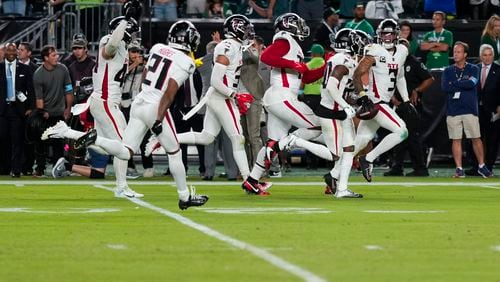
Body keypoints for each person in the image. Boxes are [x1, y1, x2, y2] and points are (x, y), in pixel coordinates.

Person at [43, 20, 209, 209]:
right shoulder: (186, 61)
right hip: (153, 105)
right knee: (174, 151)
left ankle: (73, 134)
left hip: (140, 102)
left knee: (125, 151)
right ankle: (184, 196)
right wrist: (158, 118)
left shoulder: (157, 48)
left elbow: (146, 73)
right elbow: (170, 91)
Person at [242, 13, 331, 195]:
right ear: (289, 26)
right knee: (317, 125)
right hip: (282, 96)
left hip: (279, 97)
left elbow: (306, 76)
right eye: (297, 24)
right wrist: (294, 64)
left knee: (273, 143)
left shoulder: (293, 45)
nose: (301, 27)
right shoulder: (285, 39)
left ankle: (252, 181)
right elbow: (266, 57)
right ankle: (290, 141)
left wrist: (326, 67)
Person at [176, 15, 255, 186]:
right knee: (238, 138)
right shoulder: (227, 46)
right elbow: (216, 80)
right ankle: (250, 180)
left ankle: (168, 138)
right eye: (246, 29)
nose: (249, 32)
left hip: (219, 96)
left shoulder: (234, 46)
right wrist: (235, 95)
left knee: (206, 137)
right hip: (221, 97)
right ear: (236, 29)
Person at [351, 19, 409, 183]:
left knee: (359, 141)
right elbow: (357, 73)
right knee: (402, 131)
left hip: (383, 102)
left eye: (391, 33)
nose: (388, 37)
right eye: (384, 33)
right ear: (379, 35)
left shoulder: (402, 51)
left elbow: (400, 76)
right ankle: (368, 159)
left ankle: (334, 175)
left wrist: (405, 100)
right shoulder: (374, 50)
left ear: (397, 34)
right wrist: (362, 95)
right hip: (376, 102)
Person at [319, 29, 368, 198]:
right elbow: (331, 86)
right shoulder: (344, 61)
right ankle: (294, 141)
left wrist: (357, 99)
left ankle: (342, 189)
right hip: (331, 111)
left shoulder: (340, 59)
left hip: (338, 110)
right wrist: (345, 105)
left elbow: (342, 88)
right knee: (336, 154)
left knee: (349, 148)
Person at [384, 38, 434, 177]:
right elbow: (389, 82)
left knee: (412, 137)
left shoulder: (415, 62)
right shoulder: (393, 62)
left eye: (404, 46)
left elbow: (430, 78)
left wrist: (417, 90)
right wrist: (392, 98)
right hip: (398, 105)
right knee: (398, 135)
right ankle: (397, 166)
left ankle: (420, 168)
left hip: (412, 106)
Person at [441, 41, 492, 178]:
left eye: (458, 52)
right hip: (453, 110)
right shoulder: (448, 70)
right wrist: (462, 84)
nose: (455, 54)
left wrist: (455, 83)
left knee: (476, 137)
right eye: (454, 52)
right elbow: (446, 87)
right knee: (456, 139)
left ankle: (481, 166)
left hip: (469, 109)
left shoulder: (473, 68)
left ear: (465, 54)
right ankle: (459, 168)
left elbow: (472, 83)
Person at [33, 45, 74, 177]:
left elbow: (68, 90)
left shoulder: (63, 69)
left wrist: (68, 108)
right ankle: (40, 168)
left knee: (59, 143)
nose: (57, 57)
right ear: (46, 58)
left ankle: (59, 169)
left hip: (60, 113)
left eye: (56, 54)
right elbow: (39, 98)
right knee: (41, 142)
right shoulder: (38, 74)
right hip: (45, 113)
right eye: (53, 55)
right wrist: (42, 113)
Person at [0, 43, 35, 177]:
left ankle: (16, 169)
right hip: (2, 110)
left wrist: (31, 107)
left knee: (17, 140)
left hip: (17, 109)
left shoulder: (25, 69)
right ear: (4, 52)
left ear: (16, 53)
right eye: (8, 50)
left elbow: (31, 89)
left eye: (13, 50)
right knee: (2, 139)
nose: (10, 53)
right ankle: (3, 168)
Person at [239, 35, 266, 168]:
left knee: (254, 137)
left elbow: (255, 59)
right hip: (237, 98)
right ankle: (246, 169)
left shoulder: (251, 51)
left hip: (253, 97)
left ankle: (258, 169)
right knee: (243, 137)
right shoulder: (233, 51)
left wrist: (247, 47)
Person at [475, 44, 500, 175]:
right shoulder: (475, 68)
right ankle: (476, 166)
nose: (487, 57)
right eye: (485, 55)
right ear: (480, 56)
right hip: (476, 109)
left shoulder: (498, 69)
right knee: (475, 138)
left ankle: (489, 167)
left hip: (493, 110)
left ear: (493, 56)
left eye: (490, 55)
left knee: (492, 140)